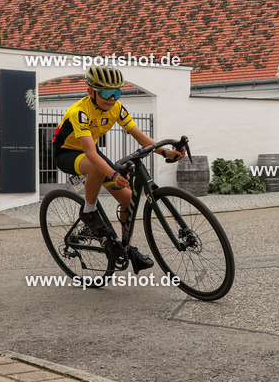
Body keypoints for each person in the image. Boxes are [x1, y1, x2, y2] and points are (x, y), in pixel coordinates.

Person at [52, 65, 185, 273]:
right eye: (106, 92)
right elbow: (91, 154)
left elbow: (141, 138)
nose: (111, 98)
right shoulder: (78, 112)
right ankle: (89, 211)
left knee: (127, 198)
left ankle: (127, 246)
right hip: (67, 153)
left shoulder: (117, 108)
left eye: (116, 92)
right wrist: (113, 174)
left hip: (91, 153)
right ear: (91, 92)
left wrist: (165, 152)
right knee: (97, 168)